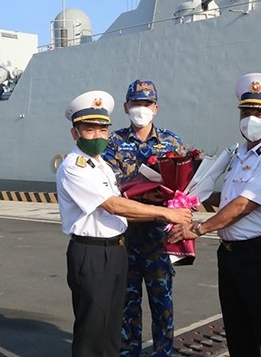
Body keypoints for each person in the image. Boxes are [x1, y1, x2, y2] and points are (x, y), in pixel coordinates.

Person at [57, 90, 192, 357]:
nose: (97, 135)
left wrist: (170, 206)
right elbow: (113, 205)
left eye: (102, 129)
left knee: (111, 328)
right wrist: (165, 214)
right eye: (89, 129)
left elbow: (120, 210)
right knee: (93, 329)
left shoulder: (101, 166)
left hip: (117, 250)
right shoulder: (75, 166)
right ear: (75, 133)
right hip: (93, 252)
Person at [169, 73, 261, 357]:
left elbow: (243, 205)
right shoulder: (239, 154)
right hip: (231, 255)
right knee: (238, 332)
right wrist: (190, 198)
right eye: (246, 111)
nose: (251, 117)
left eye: (259, 112)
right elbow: (227, 198)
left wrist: (198, 229)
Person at [101, 79, 184, 357]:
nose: (141, 109)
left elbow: (183, 190)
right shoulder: (112, 143)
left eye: (146, 104)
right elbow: (109, 189)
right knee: (126, 309)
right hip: (124, 241)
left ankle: (163, 353)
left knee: (163, 307)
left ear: (156, 108)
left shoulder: (172, 142)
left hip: (160, 241)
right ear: (126, 107)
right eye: (135, 103)